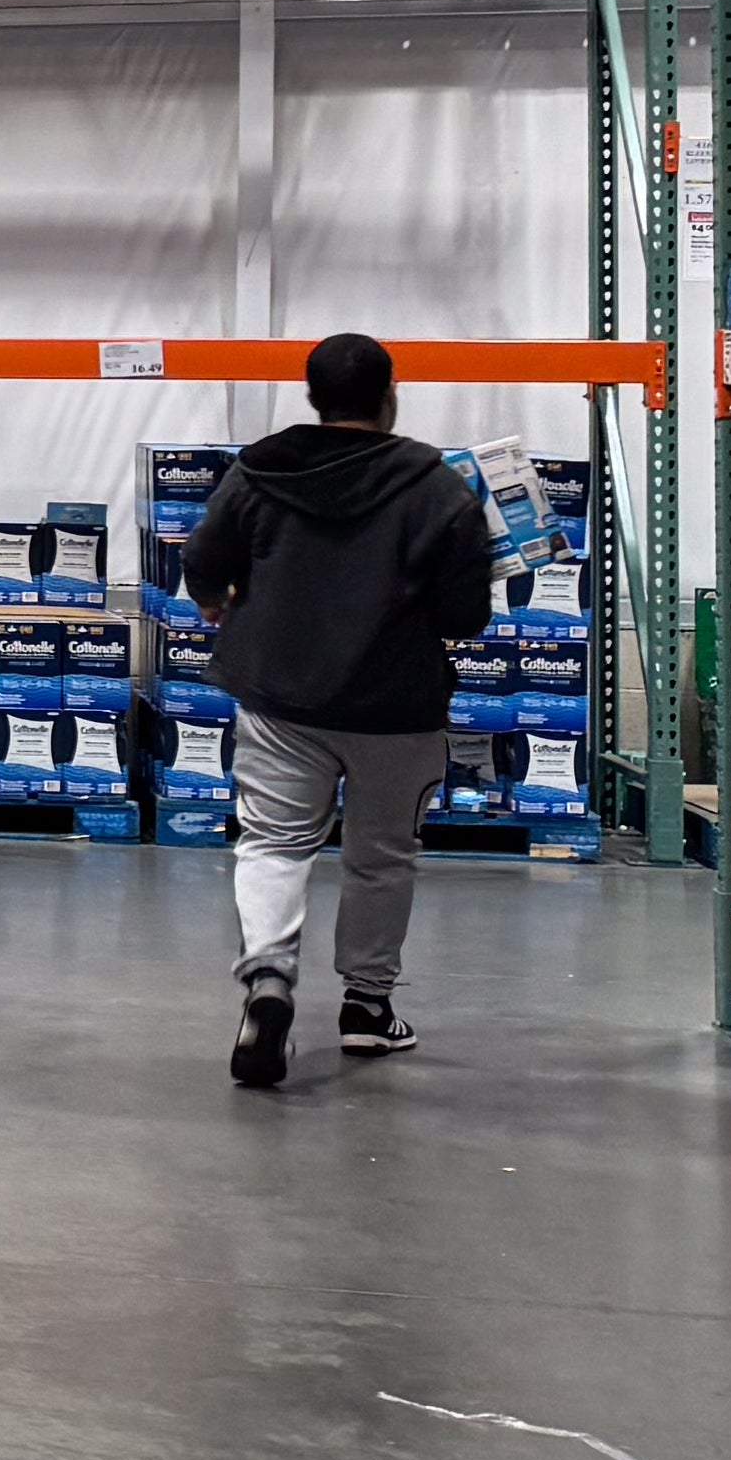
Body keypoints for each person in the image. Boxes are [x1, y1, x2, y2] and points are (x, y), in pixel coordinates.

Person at [175, 331, 500, 1091]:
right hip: (397, 706)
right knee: (382, 857)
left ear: (312, 396)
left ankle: (268, 985)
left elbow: (201, 559)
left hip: (282, 698)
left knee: (274, 844)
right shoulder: (436, 487)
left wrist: (215, 602)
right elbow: (464, 616)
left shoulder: (260, 470)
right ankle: (366, 1008)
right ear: (391, 395)